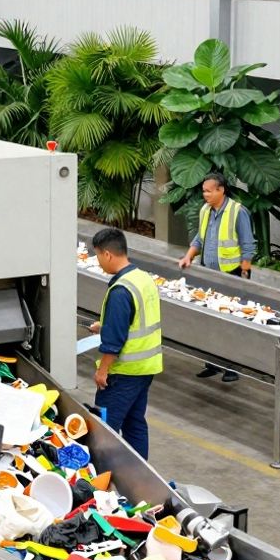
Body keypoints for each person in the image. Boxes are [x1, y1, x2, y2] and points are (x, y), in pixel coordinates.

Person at [88, 227, 162, 459]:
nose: (98, 261)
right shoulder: (142, 278)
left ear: (108, 254)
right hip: (145, 368)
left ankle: (102, 481)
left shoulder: (121, 290)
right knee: (135, 423)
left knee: (104, 429)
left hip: (123, 373)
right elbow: (137, 320)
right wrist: (105, 324)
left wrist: (103, 370)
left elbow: (114, 341)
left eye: (98, 255)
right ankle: (141, 477)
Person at [178, 173, 256, 384]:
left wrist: (244, 275)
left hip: (231, 274)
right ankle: (212, 363)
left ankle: (231, 367)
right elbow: (199, 238)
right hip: (208, 274)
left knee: (230, 321)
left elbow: (248, 245)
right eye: (204, 191)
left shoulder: (237, 212)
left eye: (209, 191)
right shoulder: (205, 211)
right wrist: (188, 256)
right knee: (210, 319)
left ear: (221, 190)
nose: (205, 195)